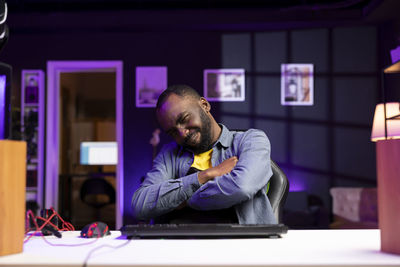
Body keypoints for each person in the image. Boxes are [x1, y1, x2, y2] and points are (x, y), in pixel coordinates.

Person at [131, 84, 276, 224]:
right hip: (178, 245)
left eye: (184, 119)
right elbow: (140, 205)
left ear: (204, 105)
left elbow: (243, 186)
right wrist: (205, 175)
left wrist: (185, 200)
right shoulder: (169, 154)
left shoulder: (251, 140)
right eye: (173, 132)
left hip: (239, 243)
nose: (182, 133)